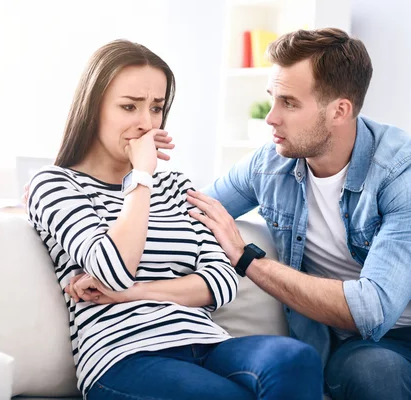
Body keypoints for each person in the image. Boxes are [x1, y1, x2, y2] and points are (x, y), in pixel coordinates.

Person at [184, 28, 411, 399]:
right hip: (368, 347)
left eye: (289, 103)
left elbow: (372, 307)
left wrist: (248, 259)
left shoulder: (407, 170)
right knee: (379, 377)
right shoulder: (267, 167)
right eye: (272, 99)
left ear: (339, 110)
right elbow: (186, 211)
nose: (271, 118)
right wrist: (138, 176)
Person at [26, 39, 323, 400]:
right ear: (93, 108)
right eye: (128, 106)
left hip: (206, 342)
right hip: (123, 358)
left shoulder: (174, 185)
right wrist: (142, 176)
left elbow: (221, 282)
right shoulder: (56, 184)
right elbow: (113, 268)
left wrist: (135, 293)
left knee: (296, 359)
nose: (145, 123)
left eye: (156, 108)